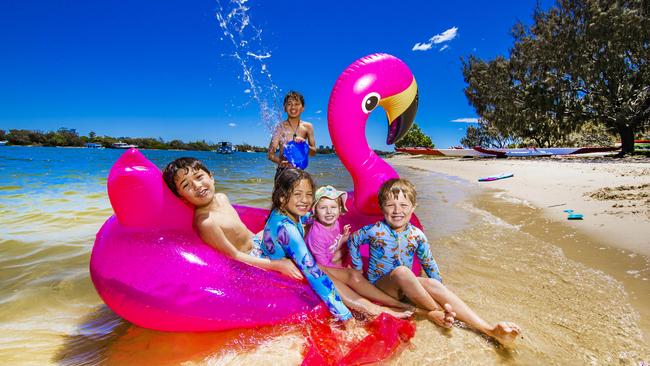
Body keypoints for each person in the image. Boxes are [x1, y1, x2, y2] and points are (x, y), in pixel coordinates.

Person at [348, 178, 521, 346]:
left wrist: (438, 289)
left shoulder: (417, 235)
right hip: (381, 288)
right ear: (381, 207)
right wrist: (357, 269)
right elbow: (353, 240)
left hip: (406, 287)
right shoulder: (373, 230)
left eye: (403, 205)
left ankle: (489, 330)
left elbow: (429, 262)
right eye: (390, 205)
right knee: (402, 272)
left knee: (431, 282)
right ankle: (440, 312)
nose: (397, 210)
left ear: (413, 207)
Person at [162, 157, 303, 280]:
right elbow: (233, 255)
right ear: (182, 198)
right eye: (186, 185)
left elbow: (244, 231)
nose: (197, 186)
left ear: (211, 177)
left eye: (199, 177)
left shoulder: (222, 198)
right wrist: (278, 265)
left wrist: (263, 238)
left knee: (297, 222)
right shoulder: (206, 223)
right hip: (249, 258)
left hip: (256, 243)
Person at [304, 185, 414, 319]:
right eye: (323, 208)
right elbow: (323, 265)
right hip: (319, 268)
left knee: (355, 270)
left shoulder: (336, 223)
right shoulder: (317, 234)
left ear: (340, 209)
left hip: (330, 260)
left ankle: (394, 303)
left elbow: (332, 249)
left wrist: (342, 242)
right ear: (315, 210)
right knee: (354, 275)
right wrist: (343, 267)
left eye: (333, 207)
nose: (329, 212)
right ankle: (389, 305)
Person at [267, 91, 316, 180]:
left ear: (303, 108)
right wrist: (281, 162)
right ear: (285, 108)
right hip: (283, 172)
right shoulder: (280, 127)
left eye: (297, 104)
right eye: (289, 104)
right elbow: (270, 154)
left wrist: (304, 145)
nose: (293, 107)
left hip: (300, 172)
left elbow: (313, 152)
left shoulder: (308, 127)